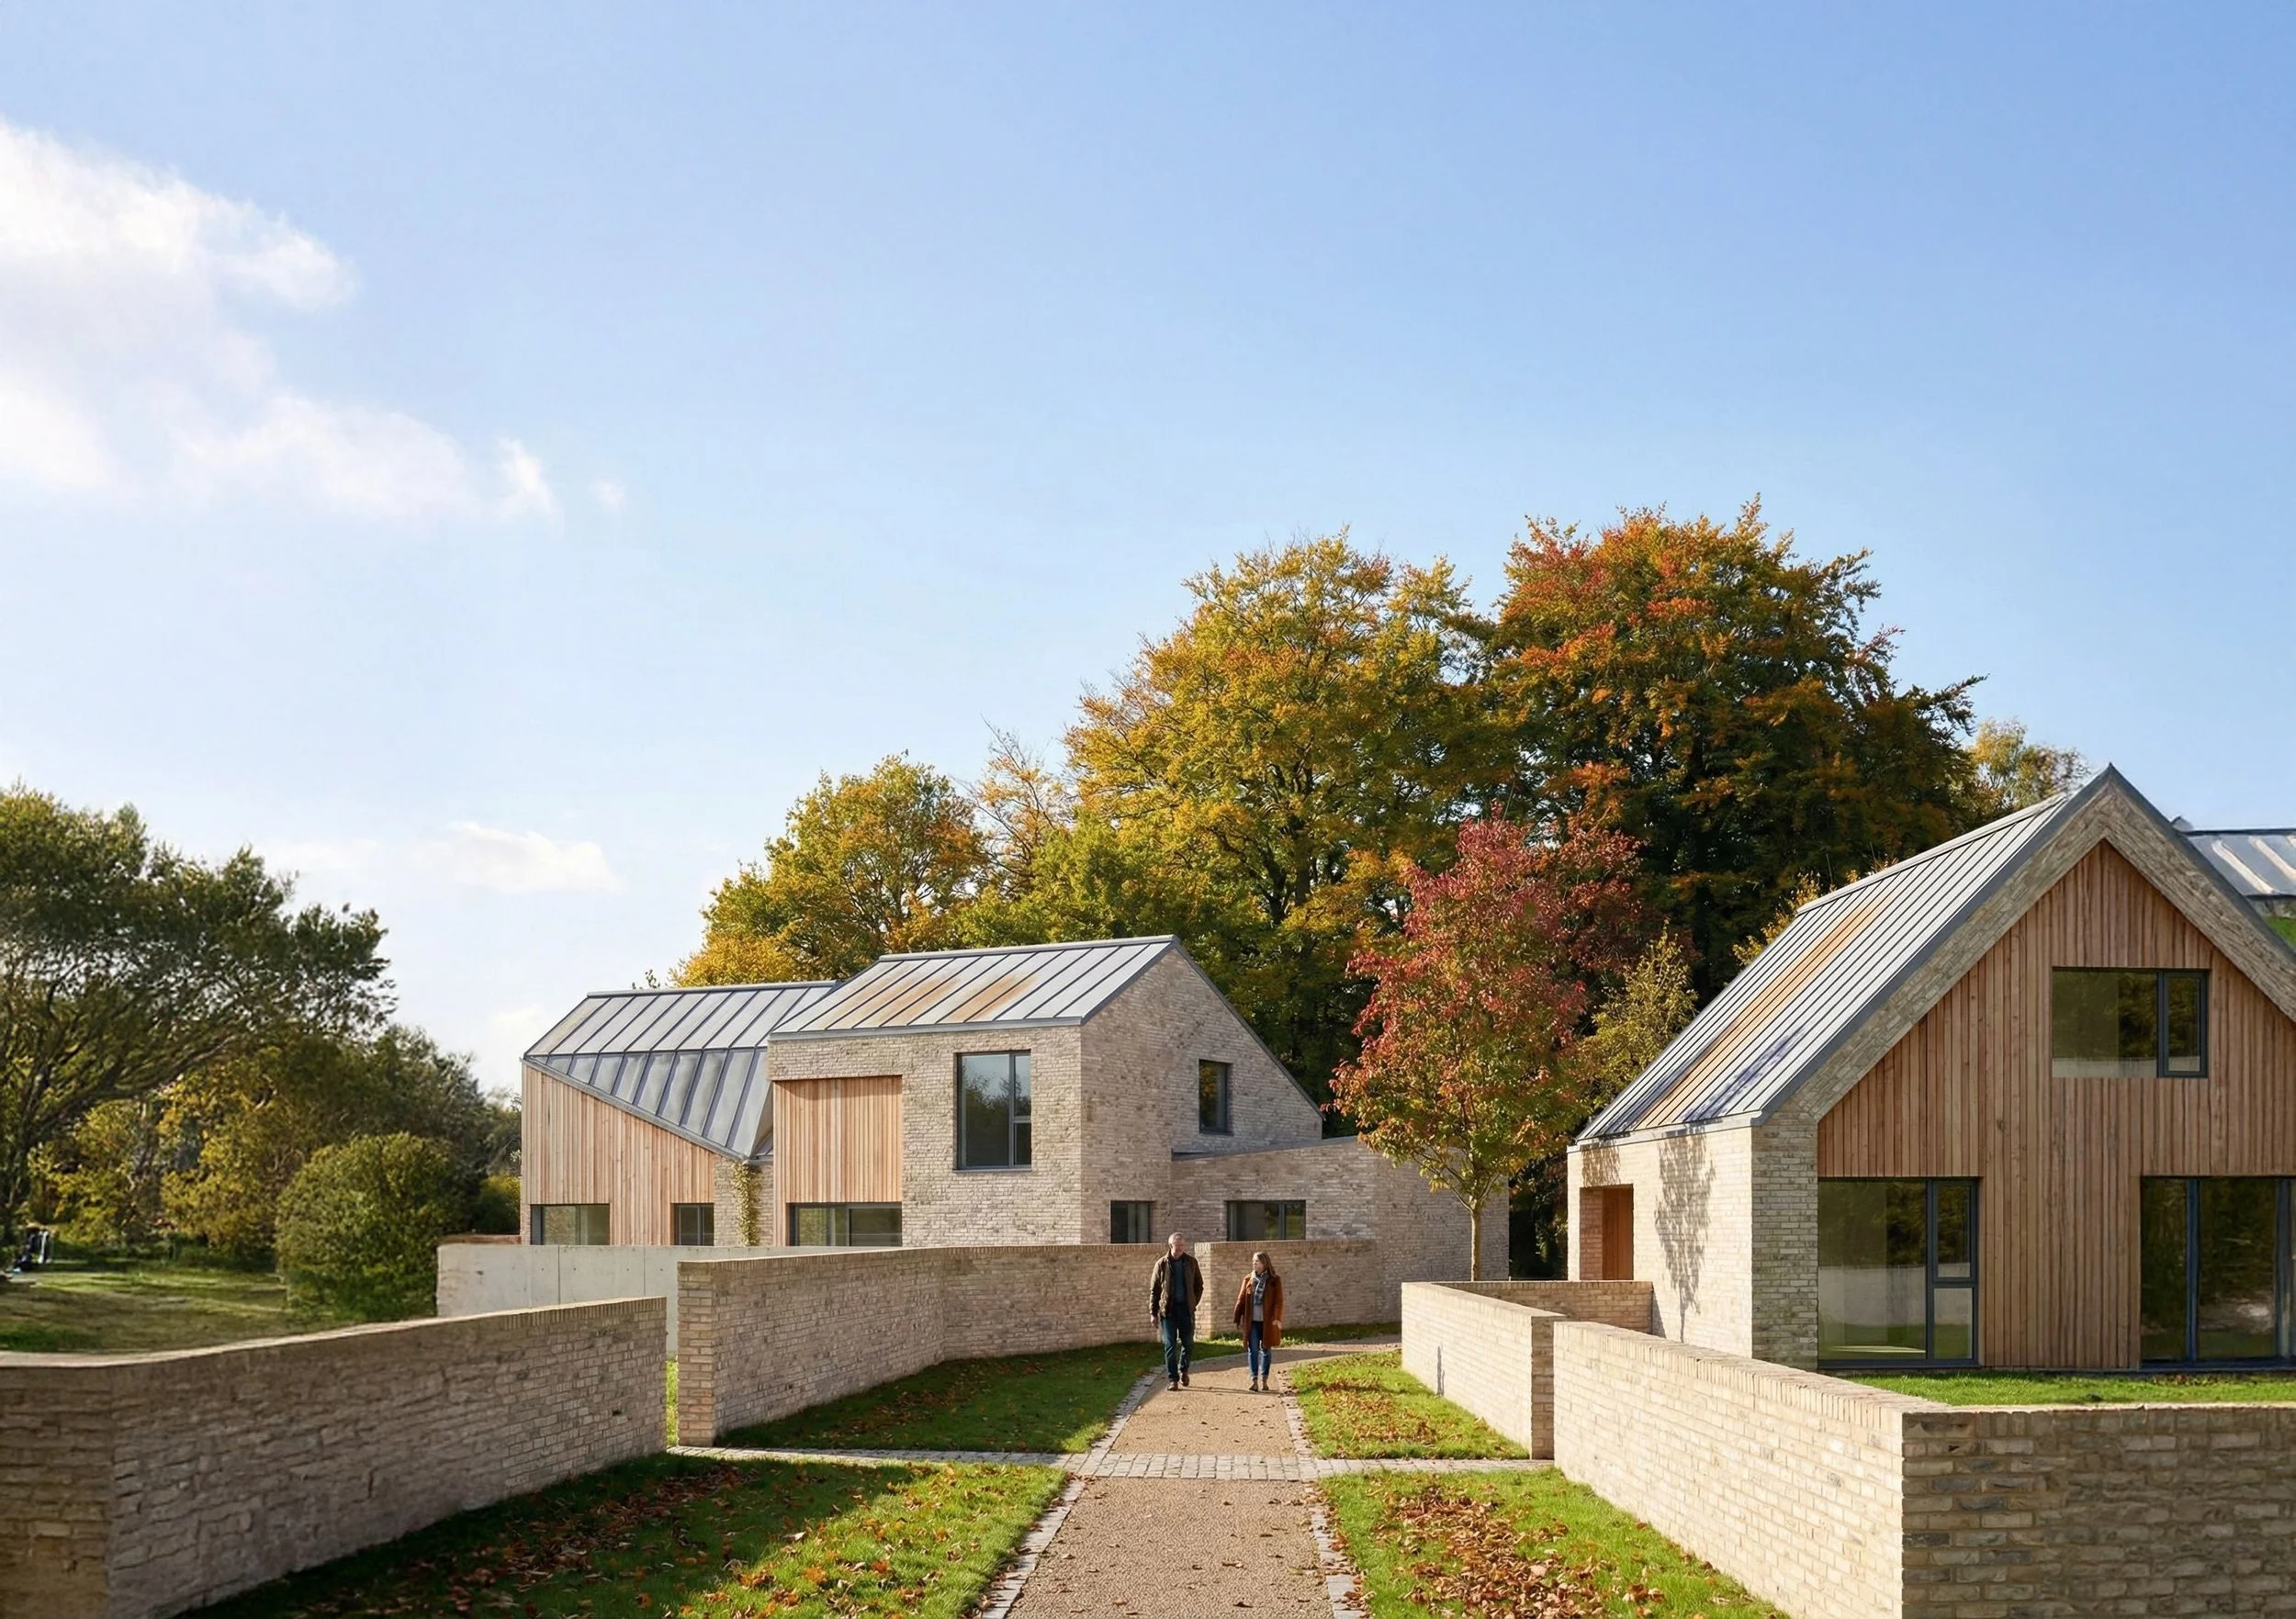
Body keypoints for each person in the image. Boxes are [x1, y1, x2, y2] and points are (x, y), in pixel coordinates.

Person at [1148, 1232, 1204, 1389]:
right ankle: (1173, 1378)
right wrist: (1153, 1313)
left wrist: (1193, 1303)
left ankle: (1184, 1369)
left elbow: (1199, 1285)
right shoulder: (1162, 1264)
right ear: (1170, 1246)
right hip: (1168, 1311)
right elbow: (1155, 1290)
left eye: (1182, 1246)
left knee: (1188, 1343)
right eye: (1176, 1246)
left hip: (1186, 1310)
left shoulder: (1191, 1262)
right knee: (1169, 1345)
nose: (1179, 1249)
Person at [1232, 1250, 1284, 1391]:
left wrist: (1277, 1318)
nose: (1255, 1263)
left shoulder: (1274, 1280)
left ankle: (1265, 1379)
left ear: (1264, 1263)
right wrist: (1237, 1318)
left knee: (1266, 1349)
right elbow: (1241, 1300)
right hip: (1252, 1322)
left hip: (1267, 1322)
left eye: (1258, 1261)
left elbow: (1278, 1301)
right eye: (1253, 1261)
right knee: (1252, 1349)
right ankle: (1254, 1380)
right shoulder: (1248, 1279)